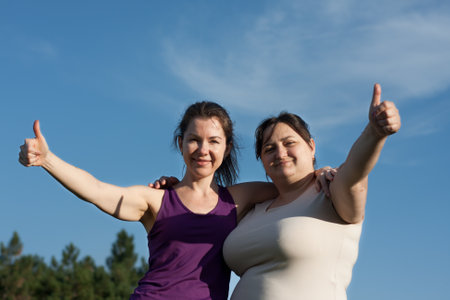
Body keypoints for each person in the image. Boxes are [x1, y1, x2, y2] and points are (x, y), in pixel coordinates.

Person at [18, 101, 334, 300]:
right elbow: (98, 190)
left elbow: (289, 187)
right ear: (181, 144)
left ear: (225, 149)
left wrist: (320, 173)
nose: (203, 149)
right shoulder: (156, 200)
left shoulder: (238, 199)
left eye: (213, 141)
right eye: (194, 140)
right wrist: (48, 160)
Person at [222, 83, 401, 300]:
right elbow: (200, 205)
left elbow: (355, 175)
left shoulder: (330, 191)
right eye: (269, 149)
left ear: (312, 146)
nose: (280, 153)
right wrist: (173, 186)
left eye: (289, 143)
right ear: (262, 160)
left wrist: (374, 134)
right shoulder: (253, 209)